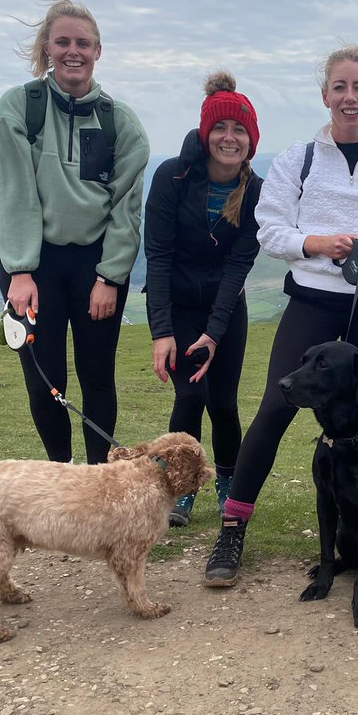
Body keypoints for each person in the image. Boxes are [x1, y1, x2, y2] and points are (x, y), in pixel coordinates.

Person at [203, 44, 358, 588]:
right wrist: (315, 243)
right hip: (312, 301)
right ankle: (233, 526)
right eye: (339, 88)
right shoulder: (297, 159)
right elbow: (269, 229)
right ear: (324, 95)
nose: (349, 98)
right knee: (276, 410)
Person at [0, 0, 149, 464]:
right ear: (47, 47)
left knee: (98, 377)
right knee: (45, 383)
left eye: (83, 42)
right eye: (62, 41)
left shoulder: (122, 123)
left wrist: (110, 276)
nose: (72, 51)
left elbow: (126, 207)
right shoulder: (18, 109)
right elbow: (13, 192)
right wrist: (20, 271)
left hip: (94, 266)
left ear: (99, 50)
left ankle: (98, 482)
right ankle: (59, 478)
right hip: (33, 267)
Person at [144, 71, 264, 526]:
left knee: (224, 403)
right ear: (205, 132)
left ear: (251, 141)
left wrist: (215, 333)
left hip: (226, 308)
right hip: (177, 305)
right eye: (220, 127)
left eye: (239, 130)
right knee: (190, 399)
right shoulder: (172, 177)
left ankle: (228, 485)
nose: (229, 138)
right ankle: (183, 485)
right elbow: (157, 255)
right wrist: (162, 331)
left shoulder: (255, 191)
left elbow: (238, 266)